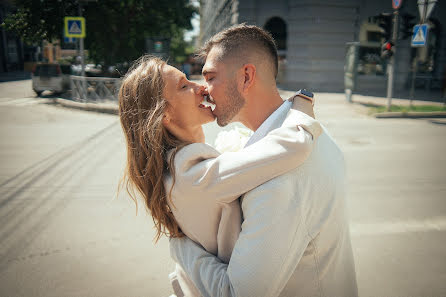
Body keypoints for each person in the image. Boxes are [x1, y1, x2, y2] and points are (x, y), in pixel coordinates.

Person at [169, 24, 358, 297]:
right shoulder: (308, 128)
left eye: (210, 77)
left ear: (246, 77)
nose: (204, 89)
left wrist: (180, 246)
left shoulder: (279, 178)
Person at [117, 55, 321, 296]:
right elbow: (294, 146)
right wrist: (303, 101)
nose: (201, 87)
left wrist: (181, 247)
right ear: (164, 115)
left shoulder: (176, 170)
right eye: (184, 86)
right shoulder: (191, 171)